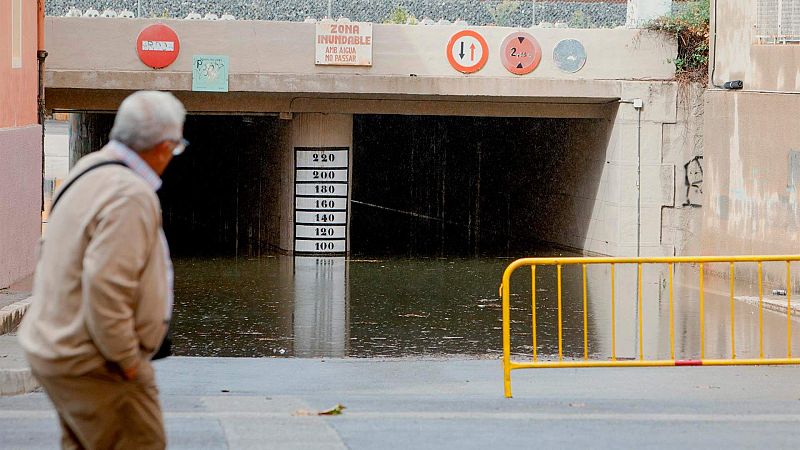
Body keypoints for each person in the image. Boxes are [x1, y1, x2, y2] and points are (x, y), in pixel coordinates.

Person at [18, 90, 187, 450]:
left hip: (58, 350)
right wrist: (128, 362)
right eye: (176, 148)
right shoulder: (129, 194)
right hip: (97, 363)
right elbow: (107, 286)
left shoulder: (87, 172)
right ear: (162, 146)